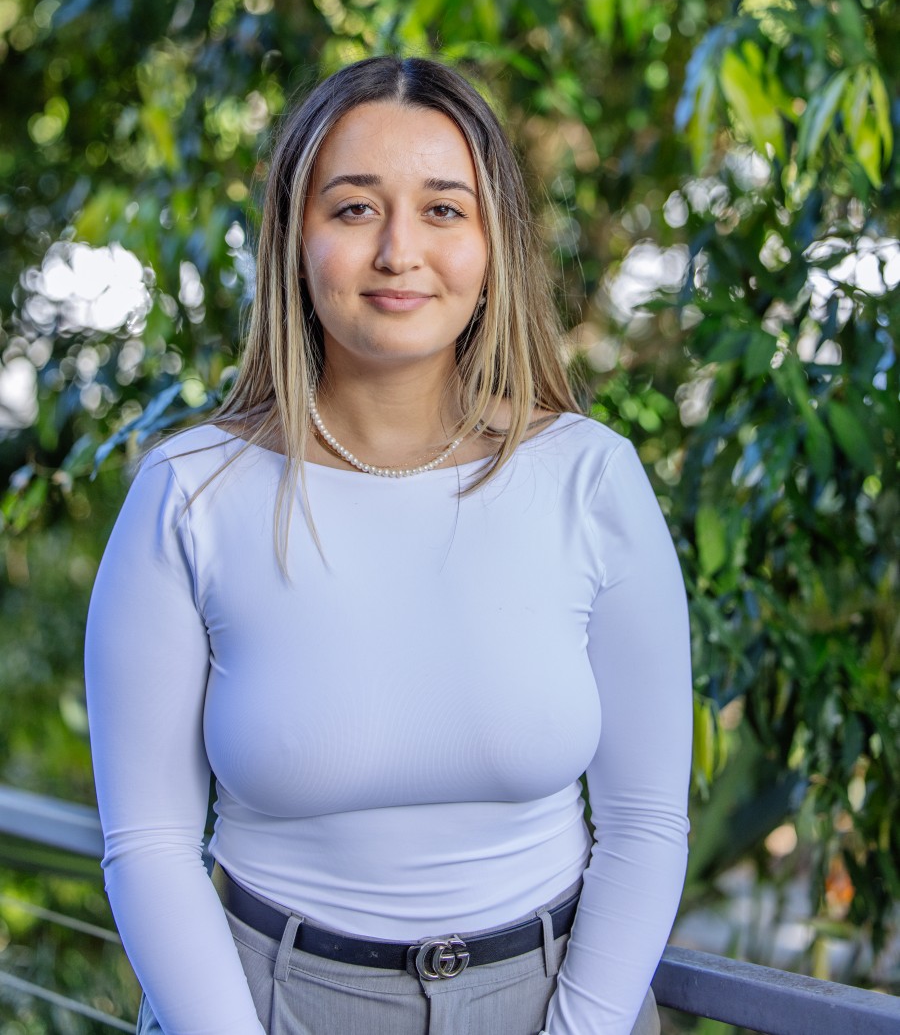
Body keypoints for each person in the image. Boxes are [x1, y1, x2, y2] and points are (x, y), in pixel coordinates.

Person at [84, 54, 693, 1035]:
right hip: (257, 1002)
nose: (399, 250)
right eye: (356, 208)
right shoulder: (189, 495)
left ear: (493, 244)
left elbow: (647, 822)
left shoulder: (590, 479)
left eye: (444, 209)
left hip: (559, 1001)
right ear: (295, 240)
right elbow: (149, 842)